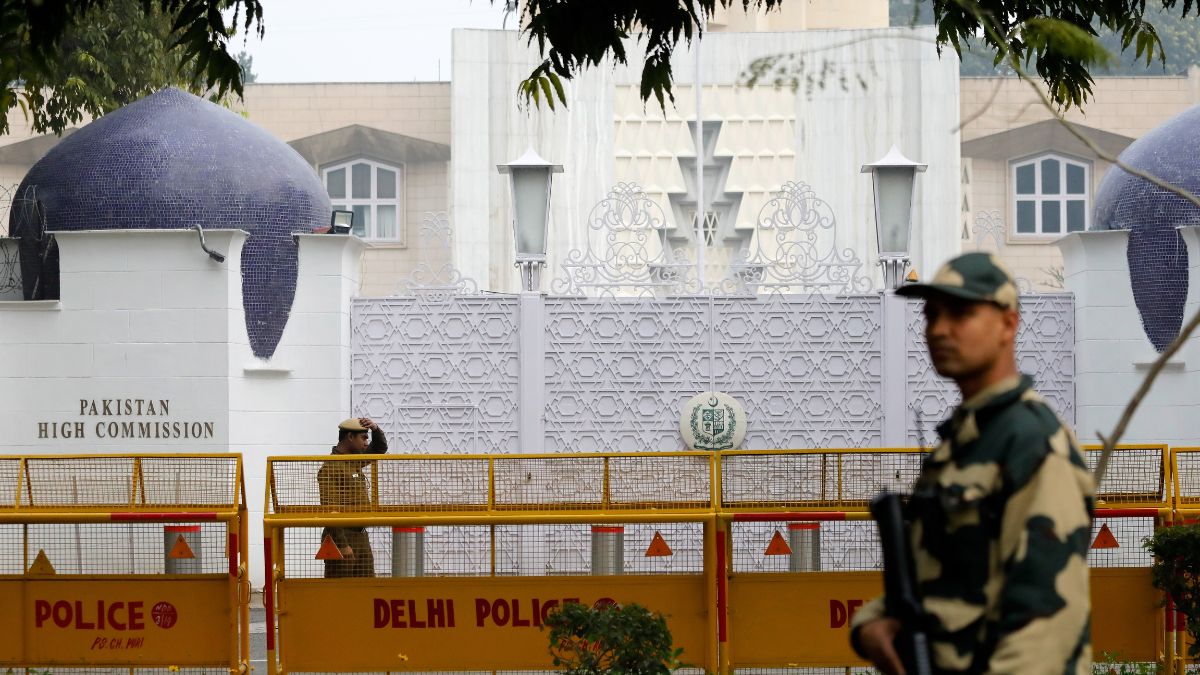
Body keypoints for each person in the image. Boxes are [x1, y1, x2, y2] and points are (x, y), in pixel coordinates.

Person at [850, 253, 1095, 674]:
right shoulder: (966, 441)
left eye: (960, 313)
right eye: (931, 315)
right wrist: (871, 625)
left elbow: (1044, 623)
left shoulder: (1031, 440)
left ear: (1008, 324)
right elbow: (940, 582)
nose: (938, 329)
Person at [317, 417, 388, 578]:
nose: (366, 443)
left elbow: (379, 448)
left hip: (360, 535)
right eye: (363, 438)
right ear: (350, 437)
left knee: (367, 587)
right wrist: (342, 545)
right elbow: (330, 509)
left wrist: (375, 429)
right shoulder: (331, 467)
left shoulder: (353, 461)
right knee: (340, 589)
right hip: (342, 537)